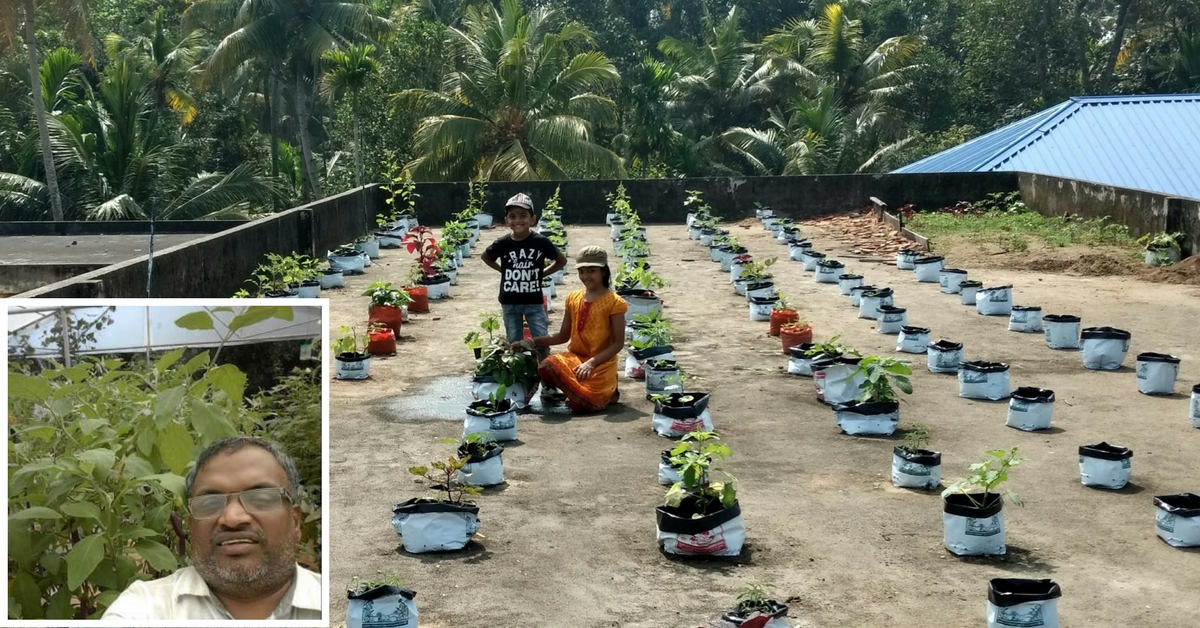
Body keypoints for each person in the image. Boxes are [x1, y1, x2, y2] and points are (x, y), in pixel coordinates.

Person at [102, 436, 320, 620]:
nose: (232, 518)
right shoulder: (145, 608)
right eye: (210, 503)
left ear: (295, 520)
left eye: (261, 497)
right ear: (191, 526)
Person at [517, 245, 628, 412]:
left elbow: (618, 344)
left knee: (581, 404)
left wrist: (591, 363)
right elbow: (562, 336)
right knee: (546, 367)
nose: (585, 276)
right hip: (575, 361)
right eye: (581, 271)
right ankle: (578, 390)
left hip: (600, 364)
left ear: (603, 271)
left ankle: (592, 391)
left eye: (591, 271)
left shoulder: (615, 302)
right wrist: (533, 341)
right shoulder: (573, 298)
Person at [482, 193, 568, 360]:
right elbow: (486, 256)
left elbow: (561, 260)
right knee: (514, 343)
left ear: (533, 219)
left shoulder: (540, 241)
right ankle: (521, 377)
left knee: (541, 341)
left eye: (523, 216)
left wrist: (541, 274)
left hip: (533, 302)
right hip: (509, 302)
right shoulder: (502, 243)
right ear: (506, 220)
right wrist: (503, 270)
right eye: (512, 216)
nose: (518, 220)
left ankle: (543, 374)